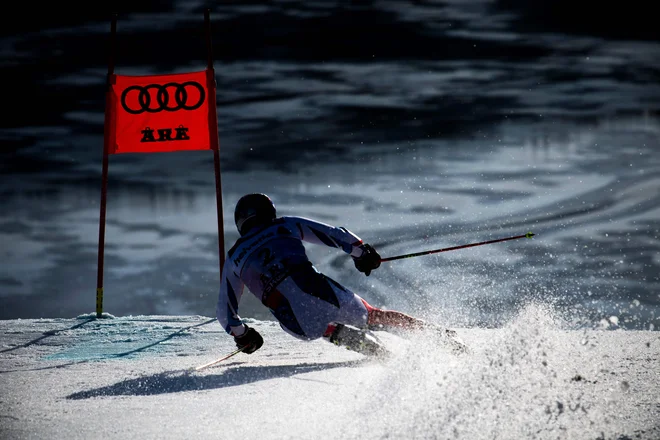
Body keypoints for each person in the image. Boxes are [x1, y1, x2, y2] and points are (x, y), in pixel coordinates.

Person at [216, 193, 464, 356]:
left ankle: (375, 353)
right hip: (319, 290)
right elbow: (333, 234)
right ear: (268, 211)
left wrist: (242, 335)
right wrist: (361, 251)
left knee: (320, 326)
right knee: (373, 316)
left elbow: (225, 313)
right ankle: (438, 337)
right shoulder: (283, 225)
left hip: (294, 322)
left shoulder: (234, 257)